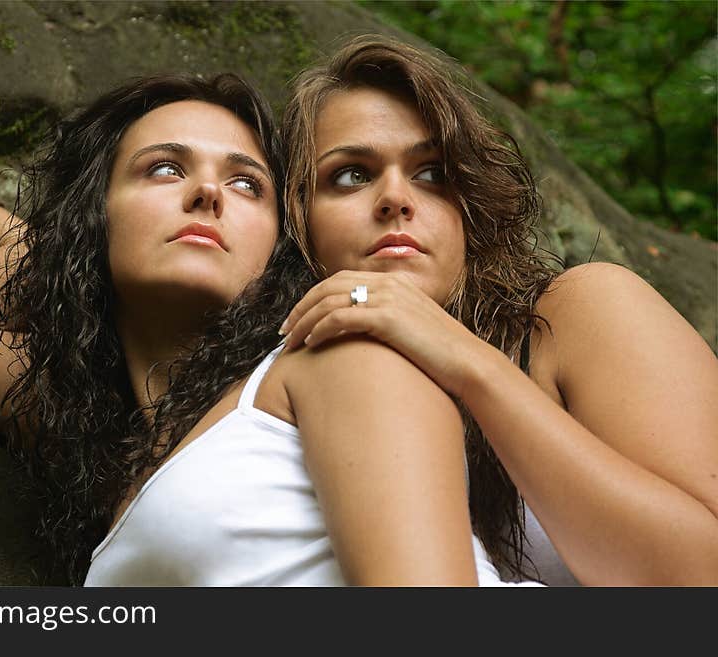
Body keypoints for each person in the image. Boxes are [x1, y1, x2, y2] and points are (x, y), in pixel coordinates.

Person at [273, 35, 718, 585]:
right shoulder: (285, 381)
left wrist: (472, 364)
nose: (395, 197)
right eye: (352, 175)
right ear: (297, 215)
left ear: (472, 207)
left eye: (431, 172)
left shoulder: (576, 311)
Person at [0, 34, 285, 583]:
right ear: (94, 218)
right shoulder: (109, 458)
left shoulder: (308, 377)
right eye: (165, 168)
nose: (210, 190)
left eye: (246, 183)